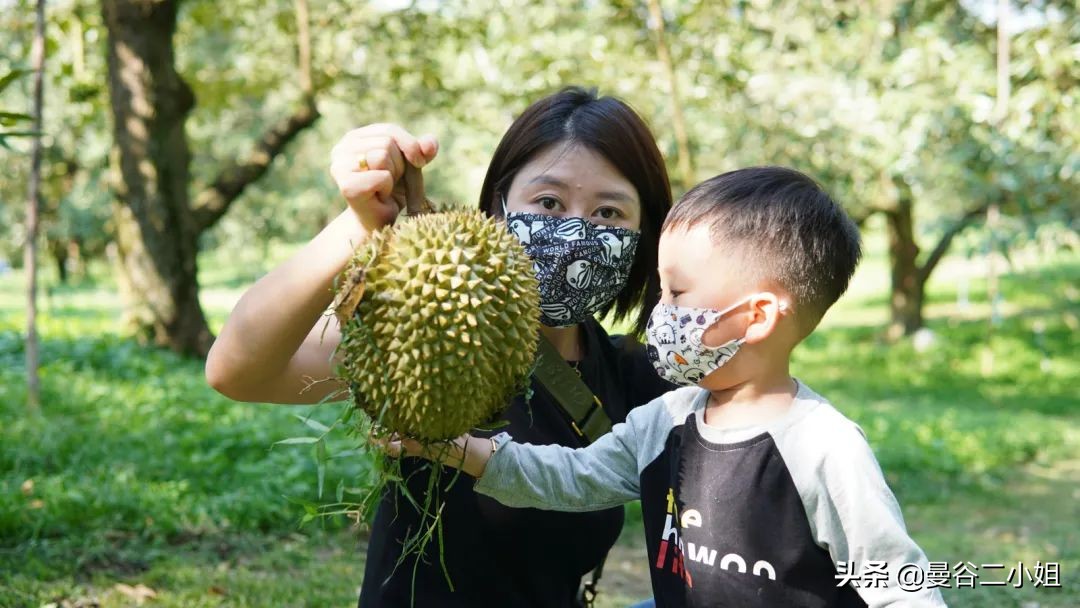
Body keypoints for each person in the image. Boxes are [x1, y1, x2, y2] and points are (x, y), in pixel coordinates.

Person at [205, 86, 676, 607]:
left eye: (609, 213)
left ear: (645, 238)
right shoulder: (430, 326)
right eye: (547, 202)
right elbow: (237, 370)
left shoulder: (635, 375)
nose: (573, 229)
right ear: (498, 208)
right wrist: (359, 225)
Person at [403, 167, 948, 607]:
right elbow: (574, 476)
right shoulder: (665, 421)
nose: (659, 313)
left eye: (677, 293)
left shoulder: (824, 450)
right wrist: (471, 454)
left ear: (755, 317)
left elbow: (901, 588)